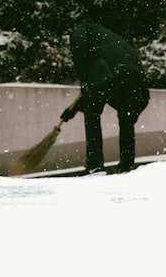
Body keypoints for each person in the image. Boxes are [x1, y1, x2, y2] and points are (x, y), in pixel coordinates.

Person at [60, 22, 150, 174]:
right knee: (126, 115)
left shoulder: (79, 32)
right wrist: (74, 108)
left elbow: (90, 79)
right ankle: (126, 165)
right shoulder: (106, 36)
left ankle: (95, 165)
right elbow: (95, 85)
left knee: (92, 113)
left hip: (110, 72)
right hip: (133, 74)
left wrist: (84, 83)